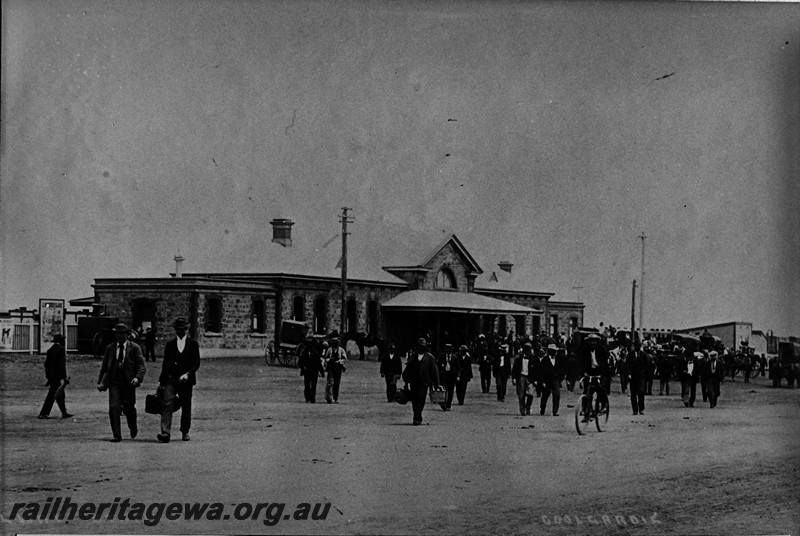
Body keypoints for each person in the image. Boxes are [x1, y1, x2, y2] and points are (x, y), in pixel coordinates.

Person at [97, 324, 146, 442]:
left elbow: (141, 365)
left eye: (121, 334)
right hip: (114, 382)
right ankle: (116, 435)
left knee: (129, 408)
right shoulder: (110, 348)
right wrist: (101, 382)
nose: (119, 337)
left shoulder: (134, 348)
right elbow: (104, 366)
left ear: (127, 335)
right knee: (114, 407)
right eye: (117, 334)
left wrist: (137, 378)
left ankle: (132, 426)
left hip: (128, 383)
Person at [156, 318, 200, 442]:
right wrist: (162, 382)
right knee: (167, 403)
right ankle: (165, 432)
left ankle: (185, 431)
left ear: (186, 329)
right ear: (175, 330)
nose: (180, 332)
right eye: (178, 330)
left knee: (186, 406)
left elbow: (196, 363)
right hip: (171, 379)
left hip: (186, 380)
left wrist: (187, 374)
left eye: (182, 329)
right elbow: (166, 364)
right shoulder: (170, 345)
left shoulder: (193, 344)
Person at [401, 337, 440, 425]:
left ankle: (417, 417)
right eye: (419, 346)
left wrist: (436, 383)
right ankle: (416, 416)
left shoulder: (430, 357)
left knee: (421, 399)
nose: (420, 348)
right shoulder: (413, 356)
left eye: (422, 347)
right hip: (414, 381)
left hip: (424, 382)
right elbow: (408, 369)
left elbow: (434, 371)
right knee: (414, 400)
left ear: (425, 347)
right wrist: (406, 382)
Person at [38, 334, 73, 419]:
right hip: (57, 376)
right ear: (61, 341)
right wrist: (64, 377)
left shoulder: (50, 350)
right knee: (53, 394)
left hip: (52, 376)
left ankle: (64, 412)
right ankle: (44, 413)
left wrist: (48, 377)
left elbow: (46, 364)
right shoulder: (61, 350)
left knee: (60, 394)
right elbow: (61, 365)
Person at [539, 344, 564, 416]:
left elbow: (561, 369)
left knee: (556, 395)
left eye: (554, 351)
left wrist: (560, 379)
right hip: (547, 380)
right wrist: (542, 382)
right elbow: (541, 371)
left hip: (555, 380)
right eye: (552, 351)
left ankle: (555, 411)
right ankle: (542, 408)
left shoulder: (558, 359)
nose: (554, 352)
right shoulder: (545, 360)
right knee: (545, 395)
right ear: (549, 351)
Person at [511, 342, 536, 416]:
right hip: (521, 376)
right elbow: (514, 369)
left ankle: (527, 407)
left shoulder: (533, 359)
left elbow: (535, 370)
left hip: (530, 378)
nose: (528, 352)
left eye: (529, 350)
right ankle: (522, 409)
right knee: (521, 394)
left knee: (531, 394)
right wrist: (514, 378)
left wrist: (535, 380)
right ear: (524, 351)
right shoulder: (518, 358)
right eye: (527, 350)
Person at [298, 337, 325, 403]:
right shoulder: (305, 354)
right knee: (307, 385)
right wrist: (303, 367)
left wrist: (322, 372)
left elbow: (319, 364)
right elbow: (300, 363)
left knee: (313, 385)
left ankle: (312, 398)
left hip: (314, 371)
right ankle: (307, 397)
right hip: (307, 371)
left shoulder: (315, 354)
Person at [436, 344, 460, 410]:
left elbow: (458, 368)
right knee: (444, 390)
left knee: (450, 391)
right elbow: (437, 367)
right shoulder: (442, 357)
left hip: (452, 377)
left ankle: (448, 404)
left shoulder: (454, 358)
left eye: (449, 349)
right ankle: (443, 404)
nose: (448, 350)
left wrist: (458, 376)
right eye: (447, 349)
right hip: (444, 376)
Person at [323, 338, 347, 403]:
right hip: (331, 367)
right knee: (330, 382)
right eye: (334, 342)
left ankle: (335, 398)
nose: (335, 343)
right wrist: (329, 360)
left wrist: (339, 361)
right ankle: (329, 397)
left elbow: (345, 359)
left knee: (336, 383)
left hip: (338, 368)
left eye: (336, 342)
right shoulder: (329, 350)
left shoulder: (341, 350)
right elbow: (325, 358)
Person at [627, 342, 648, 415]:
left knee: (641, 392)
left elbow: (647, 365)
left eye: (638, 346)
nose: (637, 347)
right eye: (636, 346)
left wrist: (644, 372)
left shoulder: (643, 355)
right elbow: (627, 365)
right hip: (632, 376)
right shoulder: (630, 355)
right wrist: (629, 373)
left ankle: (641, 408)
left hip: (641, 376)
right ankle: (635, 410)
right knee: (633, 394)